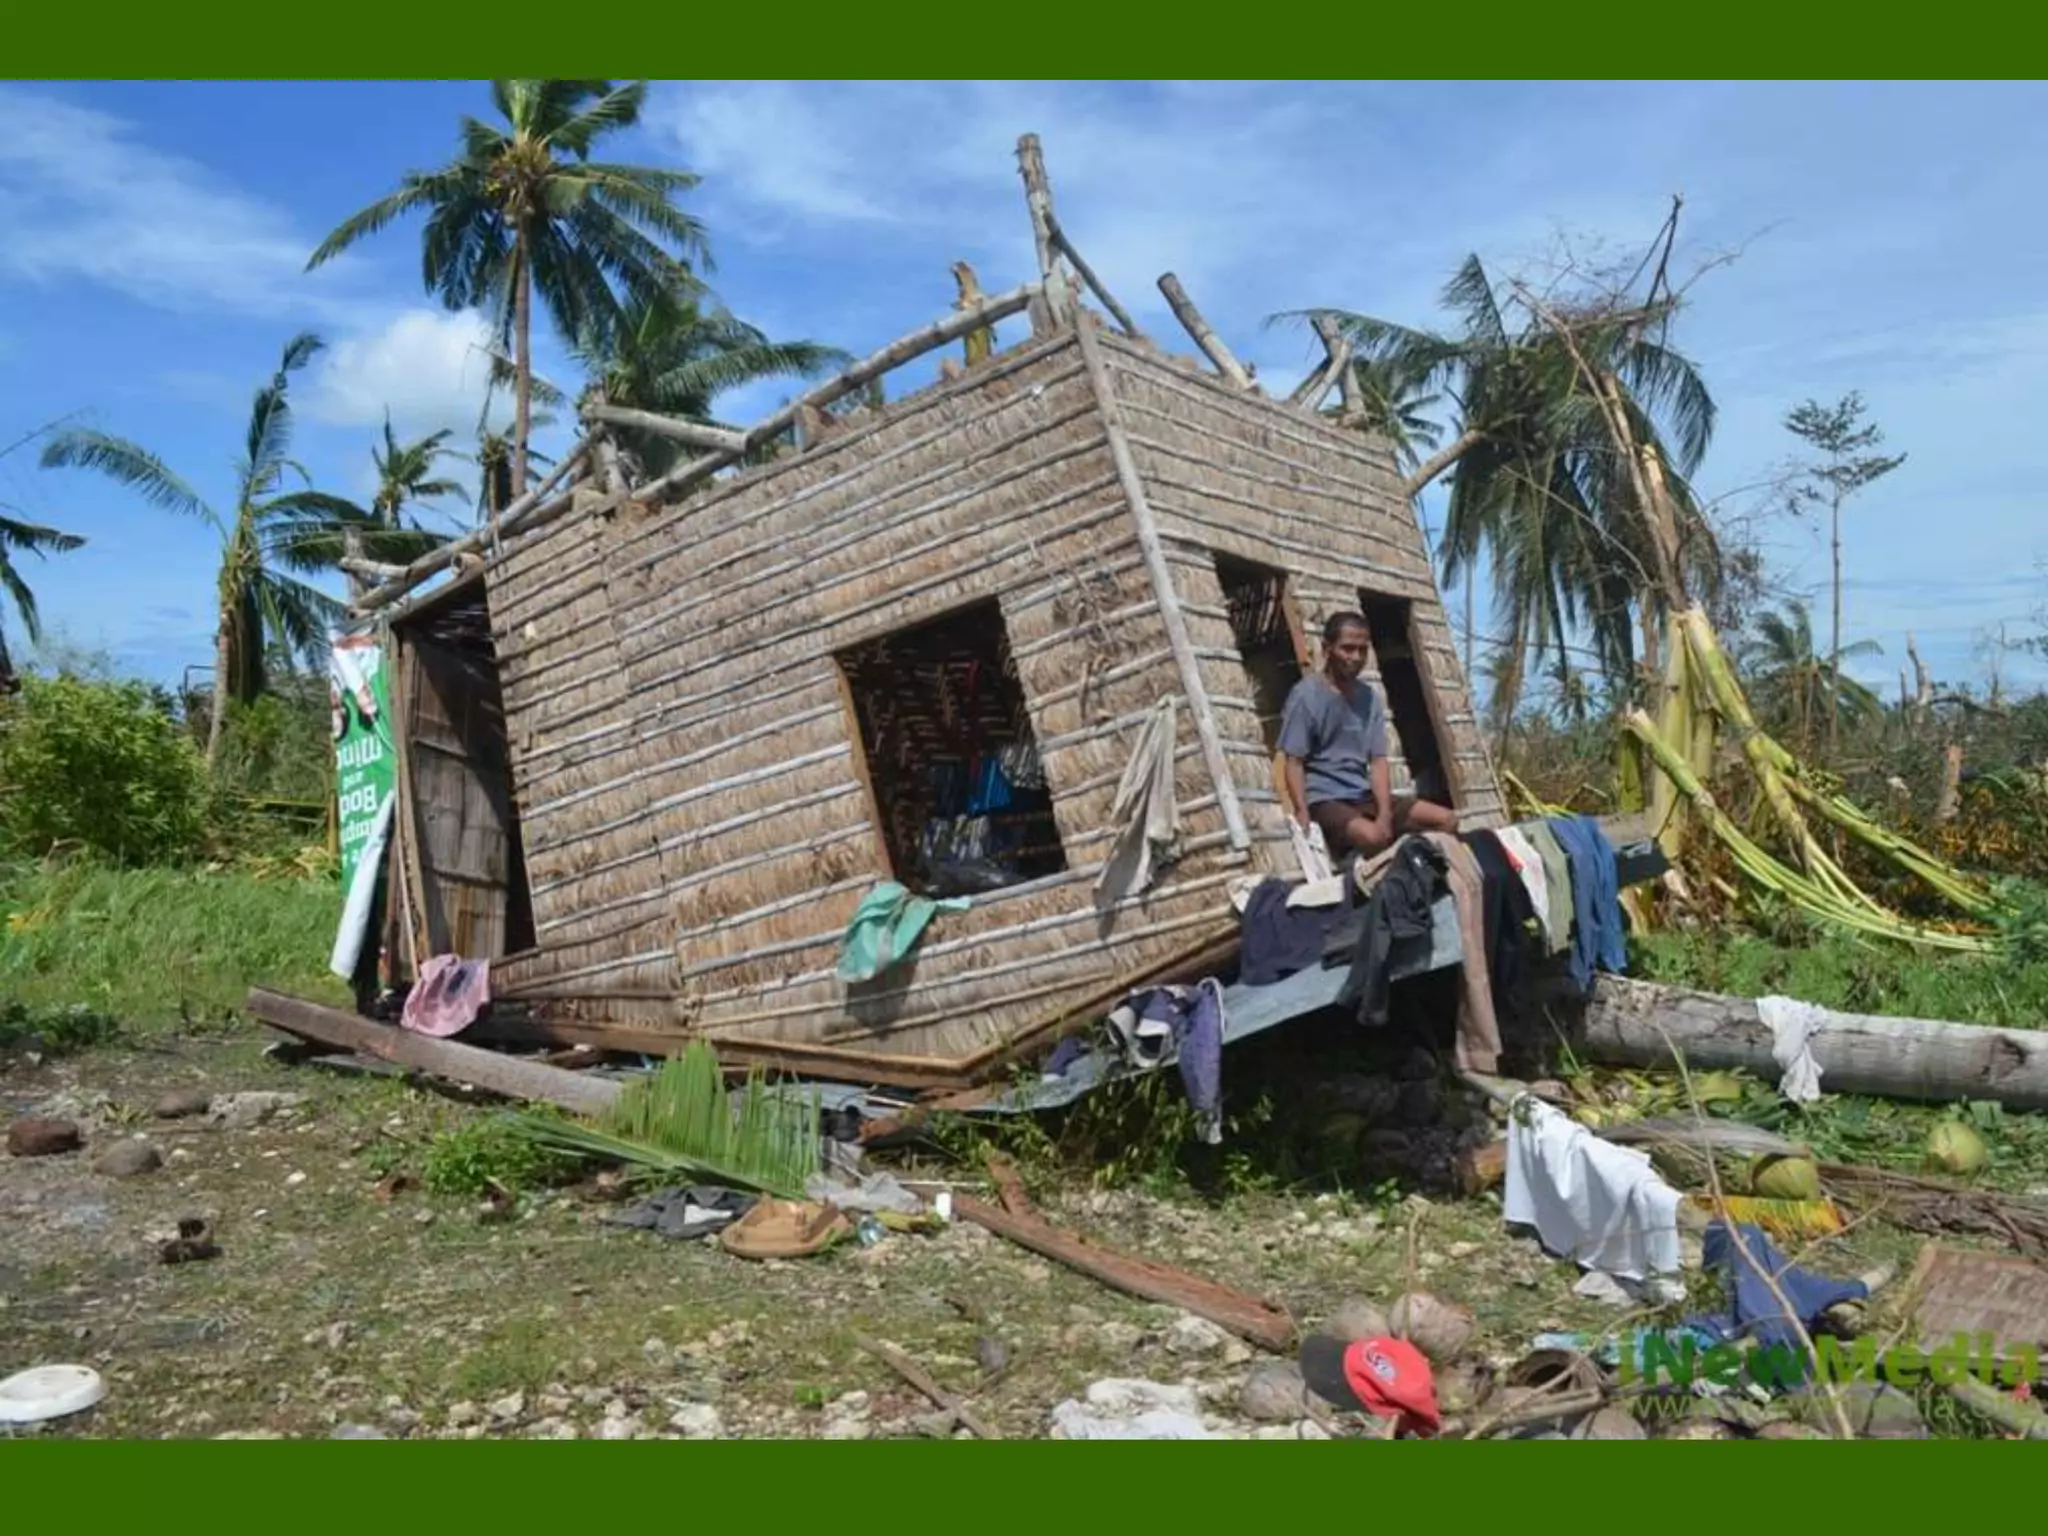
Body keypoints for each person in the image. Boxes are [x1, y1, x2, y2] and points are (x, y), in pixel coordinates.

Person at [1278, 611, 1458, 860]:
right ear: (1326, 648)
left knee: (1446, 820)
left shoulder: (1369, 698)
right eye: (1348, 649)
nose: (1356, 657)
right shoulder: (1305, 696)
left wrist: (1385, 812)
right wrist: (1301, 811)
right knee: (1373, 837)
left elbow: (1377, 761)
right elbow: (1294, 762)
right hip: (1326, 799)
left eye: (1362, 650)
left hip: (1363, 795)